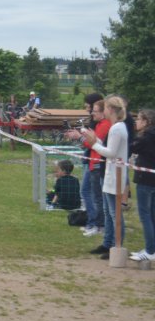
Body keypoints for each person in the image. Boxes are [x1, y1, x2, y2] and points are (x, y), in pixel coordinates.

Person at [82, 96, 129, 260]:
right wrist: (95, 140)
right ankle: (108, 243)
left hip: (115, 175)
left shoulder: (117, 128)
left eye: (106, 108)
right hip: (111, 174)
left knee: (114, 213)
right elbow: (108, 148)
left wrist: (94, 144)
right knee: (108, 212)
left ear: (111, 110)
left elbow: (111, 153)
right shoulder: (117, 127)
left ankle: (116, 244)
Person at [65, 95, 108, 237]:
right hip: (92, 162)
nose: (91, 113)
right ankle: (93, 223)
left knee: (96, 196)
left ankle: (97, 224)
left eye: (94, 110)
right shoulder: (99, 124)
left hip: (97, 163)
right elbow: (91, 143)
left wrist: (79, 136)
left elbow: (94, 144)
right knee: (90, 193)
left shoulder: (104, 125)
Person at [129, 109, 155, 261]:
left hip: (145, 179)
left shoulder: (146, 137)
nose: (136, 122)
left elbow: (132, 147)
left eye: (139, 119)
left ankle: (150, 251)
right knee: (151, 214)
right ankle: (151, 248)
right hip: (152, 179)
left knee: (145, 215)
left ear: (146, 122)